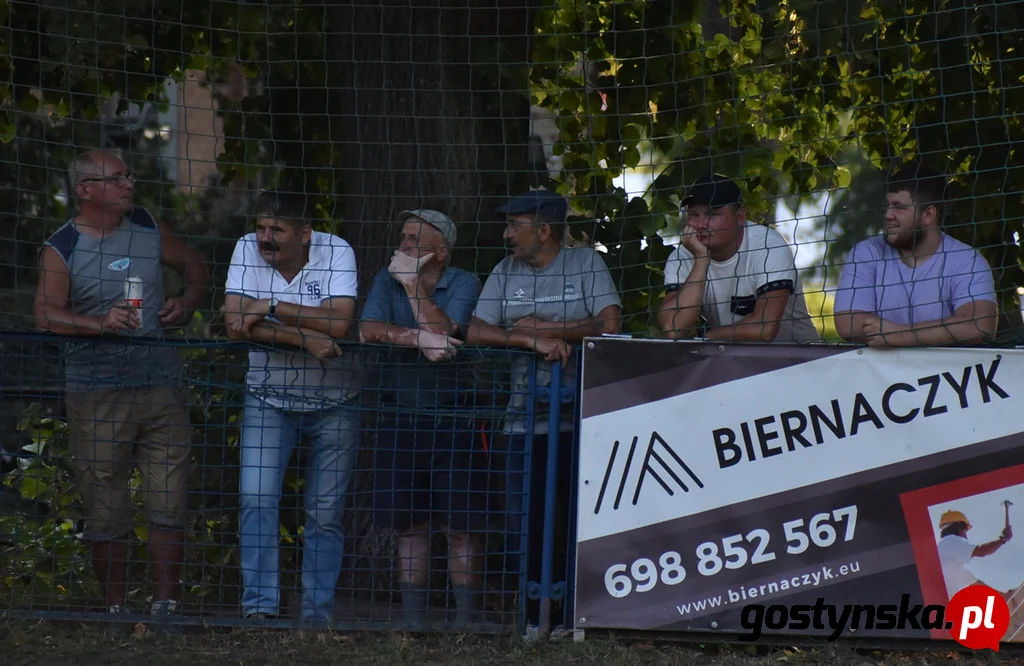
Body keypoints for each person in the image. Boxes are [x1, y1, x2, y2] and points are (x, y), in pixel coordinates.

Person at [33, 149, 210, 625]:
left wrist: (186, 303)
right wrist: (98, 323)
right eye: (116, 178)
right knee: (105, 497)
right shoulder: (62, 246)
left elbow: (195, 266)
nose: (128, 184)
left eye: (128, 176)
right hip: (96, 393)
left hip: (161, 385)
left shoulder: (149, 226)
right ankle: (115, 607)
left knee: (169, 495)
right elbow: (46, 315)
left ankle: (166, 604)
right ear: (86, 190)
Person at [465, 189, 621, 626]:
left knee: (577, 521)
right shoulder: (504, 270)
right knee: (524, 522)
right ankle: (533, 618)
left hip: (582, 422)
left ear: (545, 230)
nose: (506, 234)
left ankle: (578, 617)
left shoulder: (586, 263)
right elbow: (476, 330)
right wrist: (528, 339)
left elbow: (609, 325)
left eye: (515, 225)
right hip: (521, 423)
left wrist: (552, 328)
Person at [224, 189, 361, 626]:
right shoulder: (245, 248)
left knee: (324, 514)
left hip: (336, 400)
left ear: (305, 233)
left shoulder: (337, 251)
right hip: (268, 396)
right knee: (257, 498)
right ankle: (260, 609)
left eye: (277, 230)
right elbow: (233, 324)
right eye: (261, 227)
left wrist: (271, 308)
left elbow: (340, 322)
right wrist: (303, 337)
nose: (265, 238)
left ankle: (315, 615)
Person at [359, 209, 489, 629]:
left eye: (415, 239)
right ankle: (413, 623)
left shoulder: (466, 282)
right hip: (400, 417)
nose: (404, 245)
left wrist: (413, 286)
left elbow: (449, 332)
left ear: (441, 253)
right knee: (409, 526)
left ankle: (465, 623)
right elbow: (368, 329)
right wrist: (415, 338)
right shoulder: (384, 278)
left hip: (456, 420)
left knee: (462, 527)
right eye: (403, 237)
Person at [833, 163, 999, 347]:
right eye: (887, 206)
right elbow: (848, 324)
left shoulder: (966, 260)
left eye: (899, 207)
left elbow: (980, 327)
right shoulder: (866, 253)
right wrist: (941, 332)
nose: (888, 215)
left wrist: (898, 335)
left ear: (928, 214)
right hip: (881, 374)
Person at [657, 174, 820, 342]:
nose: (700, 225)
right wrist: (701, 260)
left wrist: (705, 336)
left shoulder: (768, 245)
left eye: (712, 215)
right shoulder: (682, 256)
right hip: (731, 359)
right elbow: (673, 329)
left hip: (799, 359)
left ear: (740, 216)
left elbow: (765, 328)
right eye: (693, 214)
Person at [937, 509, 1011, 600]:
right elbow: (982, 551)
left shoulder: (951, 564)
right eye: (965, 531)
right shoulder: (950, 540)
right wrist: (1003, 539)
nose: (966, 536)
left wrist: (1004, 597)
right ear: (959, 529)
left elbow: (977, 585)